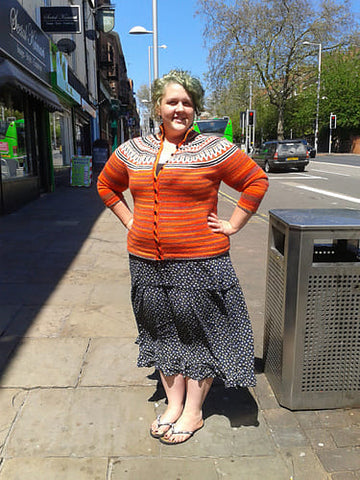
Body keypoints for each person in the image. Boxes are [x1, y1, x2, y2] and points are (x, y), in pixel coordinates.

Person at [97, 70, 269, 445]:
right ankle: (173, 405)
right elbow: (106, 183)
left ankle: (194, 411)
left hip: (201, 262)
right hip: (145, 262)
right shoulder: (133, 150)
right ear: (158, 106)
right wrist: (130, 219)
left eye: (187, 103)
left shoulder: (215, 148)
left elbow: (256, 181)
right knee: (161, 333)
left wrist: (234, 223)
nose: (179, 109)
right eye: (172, 102)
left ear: (196, 109)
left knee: (199, 336)